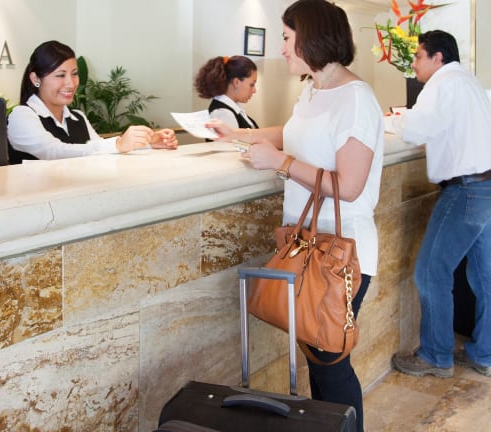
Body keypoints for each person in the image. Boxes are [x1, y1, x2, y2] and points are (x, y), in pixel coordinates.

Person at [207, 1, 384, 430]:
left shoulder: (356, 99)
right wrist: (237, 133)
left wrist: (281, 164)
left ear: (312, 37)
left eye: (286, 38)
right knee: (318, 358)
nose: (282, 48)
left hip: (343, 254)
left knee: (329, 361)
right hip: (309, 247)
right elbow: (291, 133)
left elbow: (349, 186)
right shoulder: (314, 90)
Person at [390, 30, 491, 379]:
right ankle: (485, 354)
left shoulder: (443, 83)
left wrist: (392, 119)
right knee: (485, 277)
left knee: (431, 272)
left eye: (418, 56)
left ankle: (435, 355)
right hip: (486, 187)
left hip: (465, 190)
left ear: (438, 57)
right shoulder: (469, 82)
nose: (414, 63)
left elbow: (415, 129)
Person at [6, 40, 178, 164]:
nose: (70, 83)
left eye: (74, 74)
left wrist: (149, 144)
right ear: (36, 79)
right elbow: (52, 152)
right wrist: (118, 144)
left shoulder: (78, 117)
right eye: (60, 75)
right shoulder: (22, 115)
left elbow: (101, 150)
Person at [194, 55, 259, 129]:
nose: (254, 90)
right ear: (236, 82)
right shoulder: (223, 113)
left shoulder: (234, 108)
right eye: (252, 85)